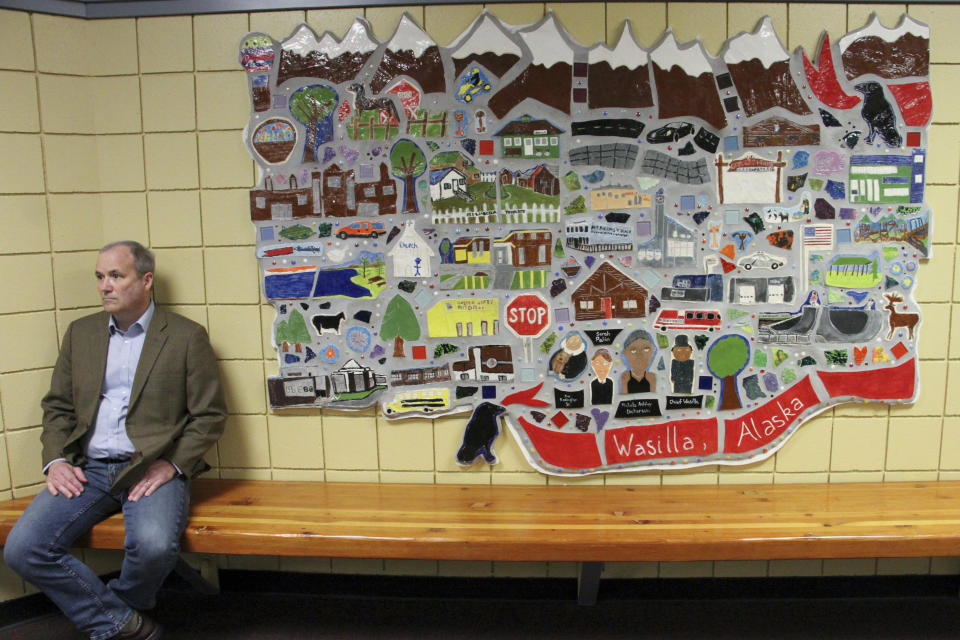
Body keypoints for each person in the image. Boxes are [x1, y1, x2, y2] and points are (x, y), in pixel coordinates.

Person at [4, 241, 227, 640]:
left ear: (145, 280)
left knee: (154, 546)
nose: (104, 286)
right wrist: (55, 461)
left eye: (115, 276)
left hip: (149, 469)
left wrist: (172, 465)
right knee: (23, 548)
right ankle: (126, 625)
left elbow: (209, 416)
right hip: (87, 469)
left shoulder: (185, 336)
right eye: (100, 277)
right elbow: (58, 407)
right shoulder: (81, 333)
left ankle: (116, 617)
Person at [620, 329, 657, 394]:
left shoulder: (651, 377)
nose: (640, 355)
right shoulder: (625, 377)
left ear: (653, 351)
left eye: (646, 349)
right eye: (633, 350)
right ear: (625, 353)